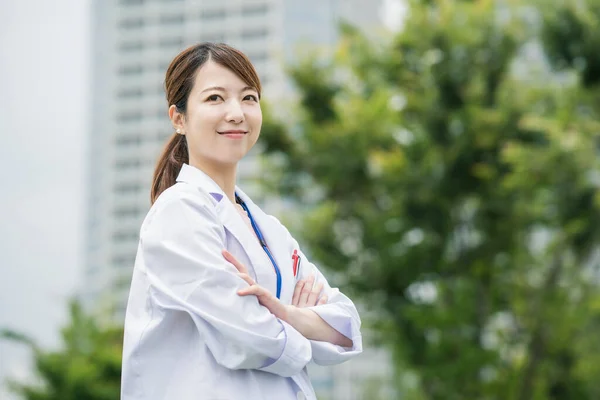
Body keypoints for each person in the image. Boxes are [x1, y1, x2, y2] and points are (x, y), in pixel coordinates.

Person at [120, 42, 362, 400]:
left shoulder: (270, 229)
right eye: (215, 98)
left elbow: (346, 327)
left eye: (248, 98)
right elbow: (250, 340)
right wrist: (304, 323)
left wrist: (284, 315)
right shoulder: (178, 212)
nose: (236, 112)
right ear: (178, 118)